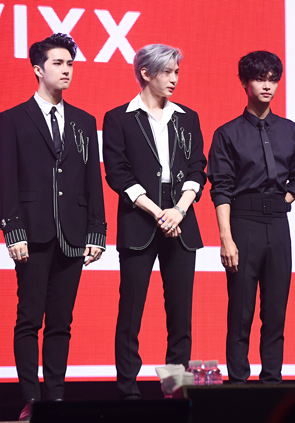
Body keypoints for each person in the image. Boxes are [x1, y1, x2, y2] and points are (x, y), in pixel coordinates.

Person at [0, 33, 107, 420]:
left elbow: (92, 180)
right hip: (32, 233)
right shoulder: (12, 119)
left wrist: (97, 231)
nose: (67, 70)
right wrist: (13, 231)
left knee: (61, 322)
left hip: (73, 233)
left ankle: (55, 400)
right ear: (38, 70)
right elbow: (6, 180)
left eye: (70, 64)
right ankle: (31, 399)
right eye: (58, 63)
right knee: (29, 319)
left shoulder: (84, 121)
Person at [102, 44, 207, 399]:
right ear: (146, 73)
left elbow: (197, 168)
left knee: (180, 313)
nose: (174, 79)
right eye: (167, 72)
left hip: (181, 219)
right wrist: (157, 211)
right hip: (139, 219)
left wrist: (179, 210)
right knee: (130, 311)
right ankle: (127, 391)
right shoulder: (118, 118)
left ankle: (175, 389)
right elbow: (118, 174)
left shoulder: (187, 117)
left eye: (177, 72)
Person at [208, 50, 295, 384]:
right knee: (241, 311)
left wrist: (282, 200)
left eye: (273, 79)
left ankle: (271, 383)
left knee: (275, 311)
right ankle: (238, 384)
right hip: (243, 222)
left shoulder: (290, 131)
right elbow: (221, 189)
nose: (267, 86)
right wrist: (226, 239)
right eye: (260, 79)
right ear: (244, 82)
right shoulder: (227, 133)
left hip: (278, 224)